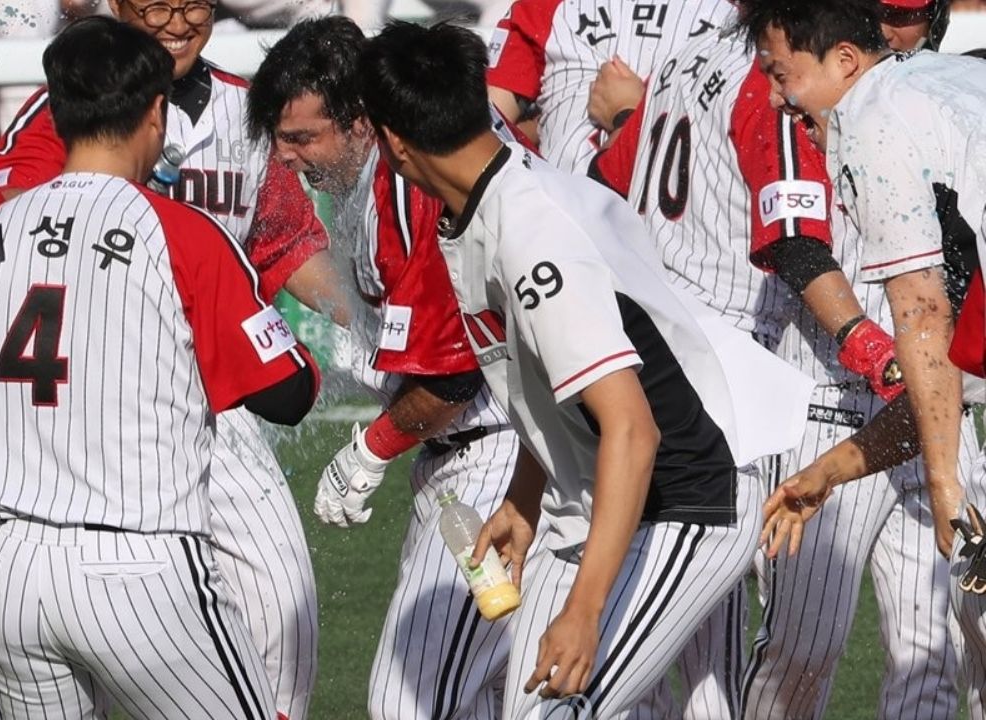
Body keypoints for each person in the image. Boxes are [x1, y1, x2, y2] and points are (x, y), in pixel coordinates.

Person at [358, 20, 811, 719]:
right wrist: (523, 497)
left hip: (681, 503)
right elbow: (548, 380)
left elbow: (633, 429)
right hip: (602, 499)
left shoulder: (532, 235)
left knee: (553, 711)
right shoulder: (502, 194)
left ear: (392, 140)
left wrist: (585, 610)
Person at [0, 16, 320, 719]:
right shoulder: (181, 233)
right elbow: (289, 394)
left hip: (14, 578)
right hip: (143, 570)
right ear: (155, 113)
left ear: (57, 115)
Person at [586, 2, 974, 716]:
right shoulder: (799, 88)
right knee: (802, 651)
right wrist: (876, 360)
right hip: (829, 392)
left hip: (924, 394)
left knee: (936, 653)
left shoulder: (893, 91)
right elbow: (798, 244)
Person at [249, 17, 524, 719]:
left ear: (363, 122)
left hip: (497, 459)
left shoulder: (410, 184)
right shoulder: (398, 159)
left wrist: (366, 451)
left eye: (302, 138)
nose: (285, 160)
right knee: (501, 693)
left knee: (411, 702)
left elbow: (453, 377)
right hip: (482, 453)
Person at [741, 0, 986, 714]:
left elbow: (919, 309)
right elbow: (947, 376)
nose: (782, 98)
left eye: (786, 74)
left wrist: (948, 495)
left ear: (846, 61)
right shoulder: (946, 84)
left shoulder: (870, 118)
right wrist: (835, 468)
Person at [484, 0, 733, 172]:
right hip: (684, 232)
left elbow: (480, 137)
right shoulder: (737, 17)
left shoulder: (549, 7)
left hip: (568, 226)